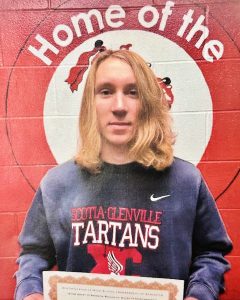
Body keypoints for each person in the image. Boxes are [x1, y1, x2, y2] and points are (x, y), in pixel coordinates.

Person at [15, 49, 232, 300]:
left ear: (148, 103)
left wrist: (200, 293)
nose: (119, 107)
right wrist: (30, 291)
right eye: (106, 92)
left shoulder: (186, 181)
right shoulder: (57, 184)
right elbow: (33, 253)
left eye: (133, 92)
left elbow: (211, 253)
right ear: (90, 104)